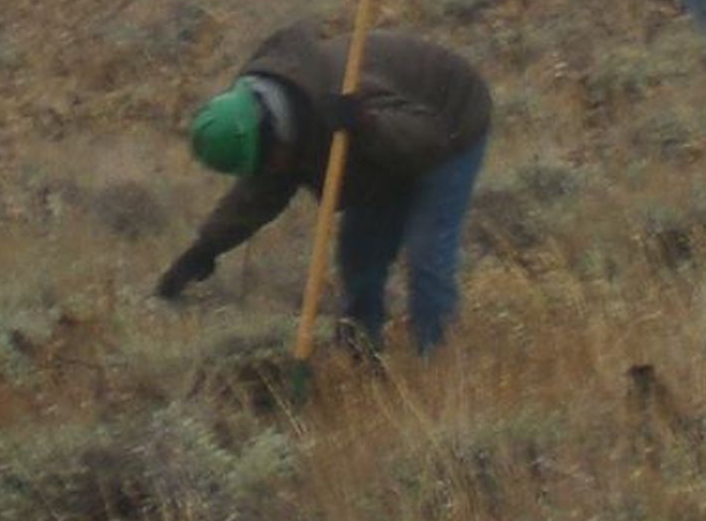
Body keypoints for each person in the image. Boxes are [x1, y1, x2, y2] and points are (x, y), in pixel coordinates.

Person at [156, 22, 493, 360]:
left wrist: (366, 123)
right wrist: (204, 249)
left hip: (449, 124)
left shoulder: (348, 90)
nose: (270, 170)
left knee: (426, 255)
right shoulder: (274, 131)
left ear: (276, 133)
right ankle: (361, 355)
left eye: (269, 161)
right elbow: (258, 195)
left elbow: (427, 138)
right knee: (359, 255)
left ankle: (440, 365)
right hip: (378, 152)